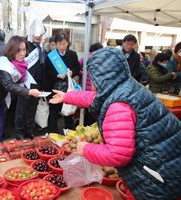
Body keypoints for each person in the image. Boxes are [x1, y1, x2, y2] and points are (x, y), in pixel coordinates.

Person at [49, 47, 181, 200]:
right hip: (168, 166)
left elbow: (118, 155)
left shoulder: (118, 105)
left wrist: (85, 149)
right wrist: (67, 97)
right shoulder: (127, 87)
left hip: (157, 179)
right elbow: (96, 98)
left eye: (93, 77)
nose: (91, 81)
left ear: (101, 78)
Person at [0, 35, 42, 142]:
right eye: (18, 50)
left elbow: (11, 81)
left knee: (0, 125)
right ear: (12, 50)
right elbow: (8, 85)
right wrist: (29, 91)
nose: (22, 53)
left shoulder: (16, 63)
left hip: (1, 98)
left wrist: (19, 85)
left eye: (24, 49)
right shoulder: (4, 64)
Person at [14, 24, 46, 139]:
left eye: (41, 33)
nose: (38, 36)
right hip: (25, 82)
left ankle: (29, 130)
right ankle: (19, 133)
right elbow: (15, 63)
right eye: (36, 32)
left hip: (37, 82)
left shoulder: (41, 47)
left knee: (32, 109)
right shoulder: (24, 45)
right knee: (21, 110)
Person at [45, 32, 80, 134]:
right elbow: (47, 71)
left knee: (67, 108)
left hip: (68, 86)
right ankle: (53, 131)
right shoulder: (51, 56)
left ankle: (69, 130)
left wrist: (72, 72)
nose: (61, 46)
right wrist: (56, 75)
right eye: (59, 44)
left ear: (67, 43)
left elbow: (77, 67)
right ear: (55, 44)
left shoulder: (73, 54)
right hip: (55, 86)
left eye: (64, 43)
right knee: (54, 110)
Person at [78, 42, 103, 126]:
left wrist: (82, 74)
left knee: (83, 107)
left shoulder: (85, 58)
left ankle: (83, 124)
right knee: (93, 107)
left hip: (84, 87)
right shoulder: (102, 59)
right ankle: (91, 125)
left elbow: (77, 67)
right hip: (95, 88)